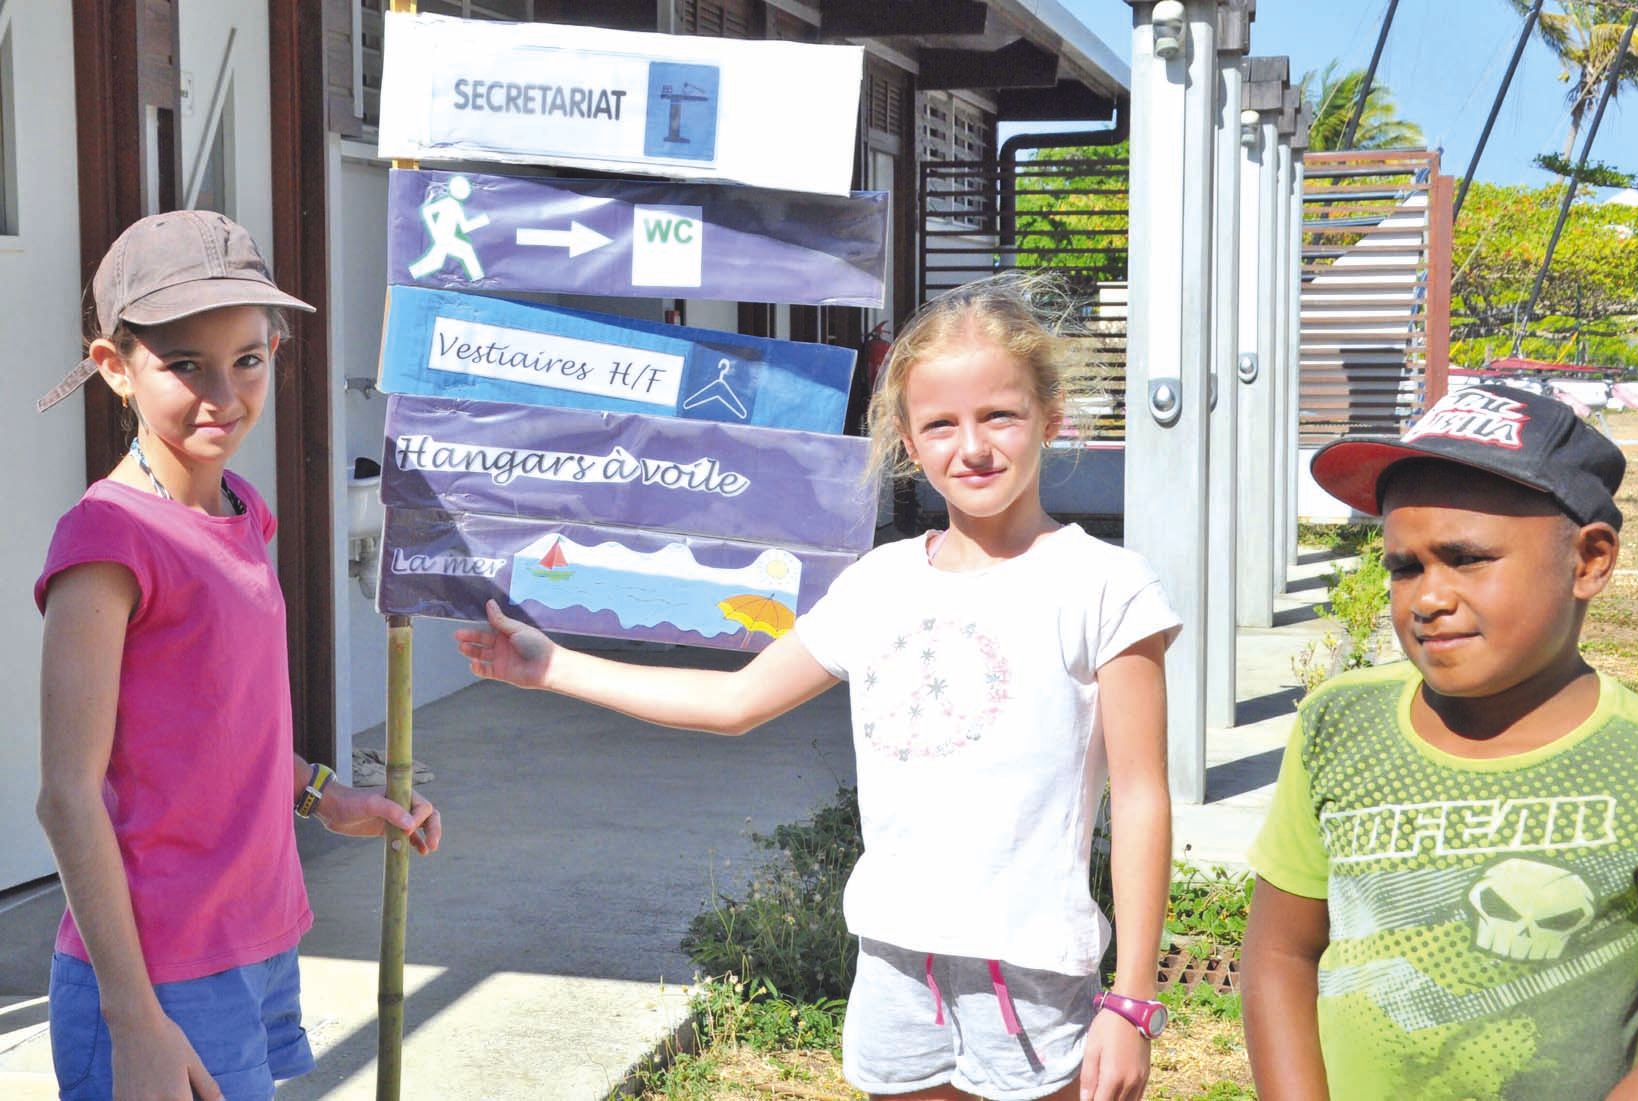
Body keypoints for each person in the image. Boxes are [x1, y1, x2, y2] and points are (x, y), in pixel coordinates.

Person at [456, 274, 1181, 1101]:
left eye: (999, 415)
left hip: (1035, 973)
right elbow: (735, 702)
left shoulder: (1105, 585)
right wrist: (550, 665)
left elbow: (1141, 796)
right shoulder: (880, 583)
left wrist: (1132, 999)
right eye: (941, 424)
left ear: (1050, 417)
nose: (972, 446)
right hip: (895, 967)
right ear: (908, 442)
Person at [34, 210, 443, 1101]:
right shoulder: (106, 540)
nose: (223, 394)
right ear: (115, 366)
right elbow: (67, 796)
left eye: (248, 359)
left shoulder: (243, 510)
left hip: (256, 947)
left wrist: (326, 796)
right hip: (158, 979)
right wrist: (135, 1019)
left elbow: (217, 733)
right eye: (185, 365)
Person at [1242, 384, 1638, 1100]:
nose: (1428, 598)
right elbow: (1280, 954)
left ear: (1589, 560)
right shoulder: (1338, 726)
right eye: (1405, 567)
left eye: (1467, 558)